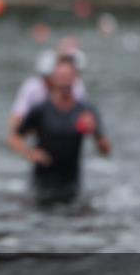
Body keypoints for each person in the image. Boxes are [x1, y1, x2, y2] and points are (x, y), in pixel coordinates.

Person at [9, 59, 110, 205]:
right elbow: (14, 138)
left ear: (76, 78)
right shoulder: (41, 109)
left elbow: (105, 151)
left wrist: (96, 133)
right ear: (53, 78)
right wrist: (31, 153)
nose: (64, 81)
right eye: (61, 76)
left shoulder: (86, 111)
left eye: (68, 76)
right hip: (41, 185)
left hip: (72, 185)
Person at [9, 51, 86, 134]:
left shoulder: (75, 86)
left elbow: (84, 116)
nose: (46, 81)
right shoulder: (31, 87)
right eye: (44, 77)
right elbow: (16, 120)